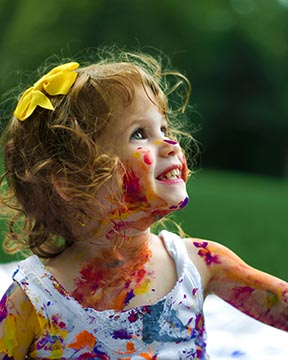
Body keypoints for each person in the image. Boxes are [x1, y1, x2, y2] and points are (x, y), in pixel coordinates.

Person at [0, 49, 287, 360]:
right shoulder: (35, 298)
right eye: (140, 134)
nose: (170, 143)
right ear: (69, 181)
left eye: (164, 129)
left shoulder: (199, 265)